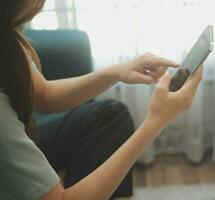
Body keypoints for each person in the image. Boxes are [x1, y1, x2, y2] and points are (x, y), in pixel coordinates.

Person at [0, 0, 203, 200]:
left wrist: (118, 71)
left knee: (111, 115)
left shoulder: (6, 36)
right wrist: (155, 123)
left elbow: (43, 95)